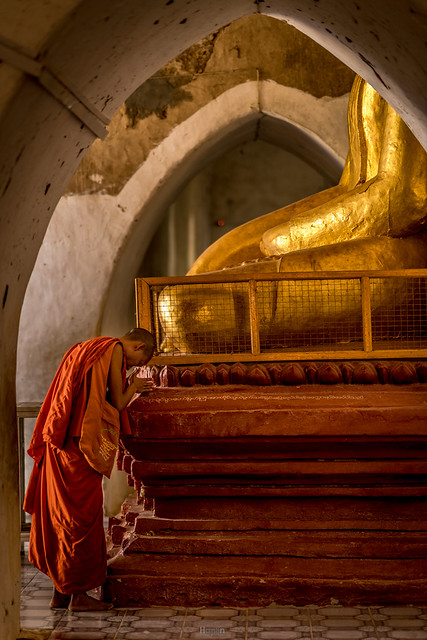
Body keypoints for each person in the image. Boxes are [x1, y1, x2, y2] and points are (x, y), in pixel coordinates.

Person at [23, 328, 155, 611]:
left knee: (61, 516)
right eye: (138, 362)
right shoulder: (114, 349)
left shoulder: (84, 347)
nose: (132, 367)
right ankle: (79, 597)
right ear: (139, 346)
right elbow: (117, 403)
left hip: (60, 443)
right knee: (83, 519)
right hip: (80, 445)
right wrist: (136, 387)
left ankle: (60, 593)